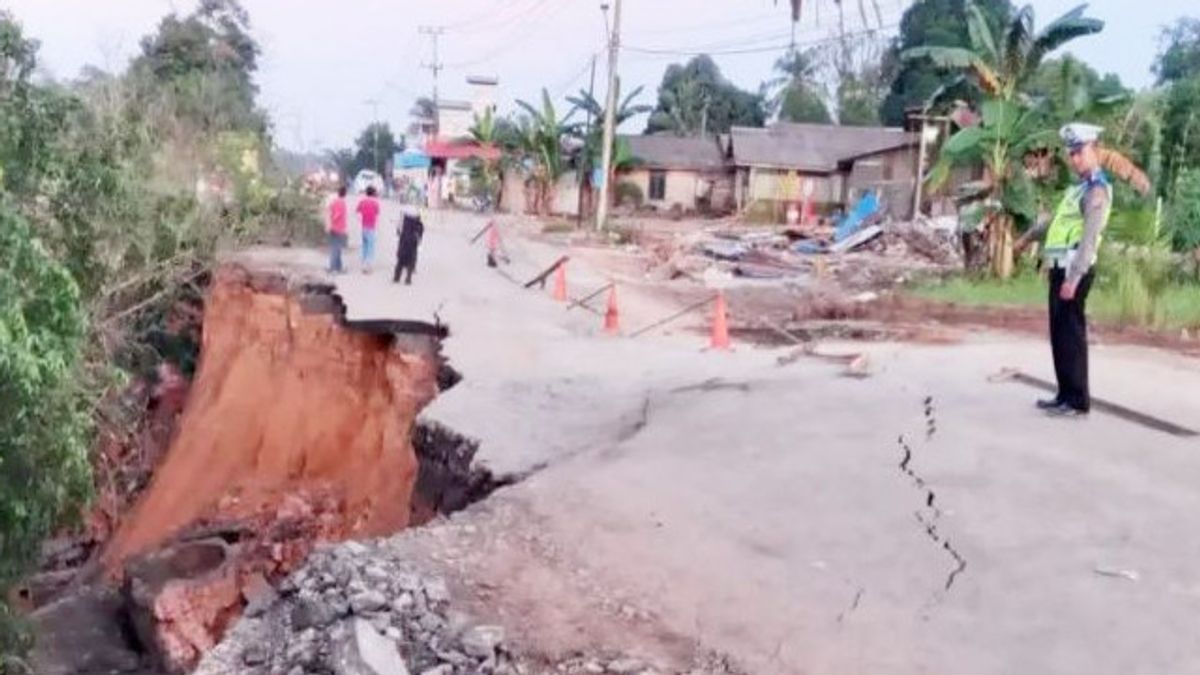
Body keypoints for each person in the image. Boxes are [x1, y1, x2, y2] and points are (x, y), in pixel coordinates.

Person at [1015, 122, 1113, 418]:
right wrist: (1025, 239)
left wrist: (1074, 277)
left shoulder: (1097, 190)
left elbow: (1089, 238)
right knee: (1059, 334)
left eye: (1080, 152)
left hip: (1075, 272)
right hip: (1060, 269)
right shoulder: (1078, 189)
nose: (1075, 159)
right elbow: (1053, 223)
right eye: (1071, 154)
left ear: (1094, 150)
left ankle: (1077, 400)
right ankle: (1063, 394)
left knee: (1072, 335)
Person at [394, 205, 425, 285]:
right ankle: (408, 279)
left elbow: (398, 230)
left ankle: (397, 277)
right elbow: (420, 233)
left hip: (404, 240)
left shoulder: (404, 221)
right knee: (411, 260)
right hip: (413, 242)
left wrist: (399, 233)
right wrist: (419, 241)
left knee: (400, 259)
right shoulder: (418, 222)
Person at [356, 185, 381, 273]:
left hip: (364, 226)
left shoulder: (362, 202)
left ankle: (363, 263)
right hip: (371, 227)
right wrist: (377, 226)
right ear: (373, 193)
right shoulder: (375, 203)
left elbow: (357, 213)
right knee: (371, 247)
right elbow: (377, 216)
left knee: (365, 245)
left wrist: (361, 220)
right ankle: (368, 265)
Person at [327, 185, 348, 273]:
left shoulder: (334, 202)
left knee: (336, 248)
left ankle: (339, 267)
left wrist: (329, 223)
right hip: (339, 228)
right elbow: (338, 214)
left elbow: (329, 211)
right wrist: (334, 220)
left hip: (333, 228)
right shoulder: (342, 203)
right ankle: (333, 268)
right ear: (345, 194)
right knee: (336, 249)